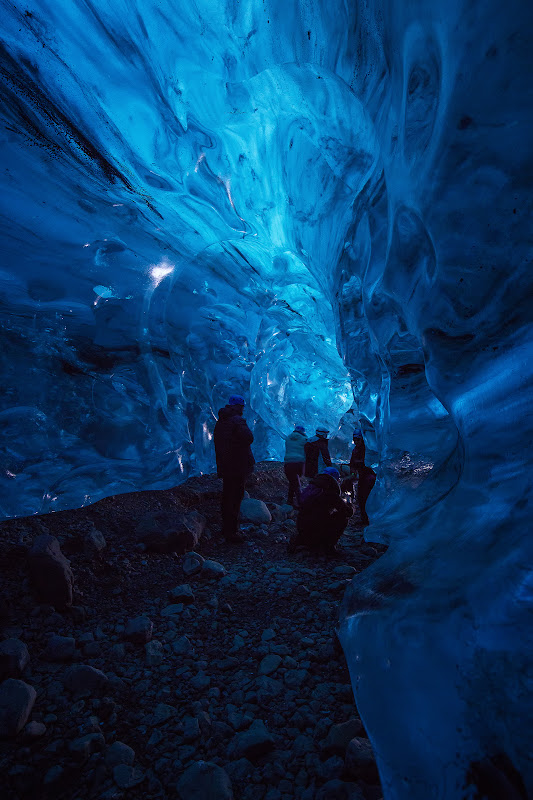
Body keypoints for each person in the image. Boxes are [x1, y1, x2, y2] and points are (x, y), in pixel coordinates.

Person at [213, 394, 255, 543]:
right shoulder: (237, 421)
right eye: (242, 406)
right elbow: (248, 437)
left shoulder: (220, 422)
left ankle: (226, 528)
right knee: (235, 497)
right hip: (237, 465)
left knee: (227, 496)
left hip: (225, 465)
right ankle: (232, 532)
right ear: (237, 406)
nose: (243, 409)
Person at [288, 467, 354, 554]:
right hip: (315, 532)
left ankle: (303, 541)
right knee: (342, 518)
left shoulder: (311, 488)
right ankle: (328, 547)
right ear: (335, 480)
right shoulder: (330, 493)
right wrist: (349, 502)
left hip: (302, 529)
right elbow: (348, 512)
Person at [283, 425, 307, 506]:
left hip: (288, 463)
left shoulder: (288, 439)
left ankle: (290, 500)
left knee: (293, 482)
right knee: (296, 483)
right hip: (299, 463)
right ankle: (300, 502)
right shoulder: (304, 440)